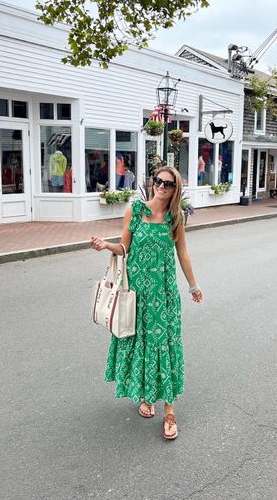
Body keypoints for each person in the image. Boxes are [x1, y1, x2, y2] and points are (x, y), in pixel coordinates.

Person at [91, 166, 203, 440]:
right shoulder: (135, 211)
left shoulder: (176, 218)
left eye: (168, 183)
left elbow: (183, 254)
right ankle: (146, 395)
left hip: (163, 295)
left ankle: (169, 411)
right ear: (153, 183)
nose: (161, 186)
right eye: (158, 181)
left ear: (176, 189)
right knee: (141, 343)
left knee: (163, 345)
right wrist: (107, 245)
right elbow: (124, 248)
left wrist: (193, 286)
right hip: (137, 294)